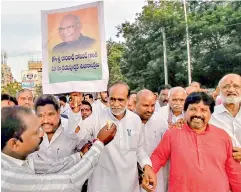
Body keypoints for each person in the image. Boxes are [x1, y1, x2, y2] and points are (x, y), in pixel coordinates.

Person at [142, 92, 241, 192]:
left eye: (203, 110)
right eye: (193, 109)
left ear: (211, 113)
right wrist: (148, 172)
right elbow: (159, 156)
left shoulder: (222, 136)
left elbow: (233, 169)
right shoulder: (173, 133)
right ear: (185, 111)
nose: (198, 114)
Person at [1, 106, 117, 191]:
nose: (42, 134)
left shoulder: (23, 159)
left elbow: (52, 167)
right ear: (14, 144)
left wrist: (81, 154)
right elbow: (70, 181)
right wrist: (99, 143)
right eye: (36, 132)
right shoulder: (9, 179)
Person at [69, 82, 157, 192]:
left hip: (129, 185)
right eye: (112, 99)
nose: (116, 104)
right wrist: (75, 113)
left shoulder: (135, 120)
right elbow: (76, 134)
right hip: (101, 185)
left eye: (120, 100)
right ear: (108, 98)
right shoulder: (96, 118)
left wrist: (147, 166)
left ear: (128, 99)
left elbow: (138, 149)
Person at [135, 89, 168, 192]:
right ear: (135, 103)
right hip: (132, 177)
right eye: (145, 105)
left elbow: (165, 150)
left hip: (156, 175)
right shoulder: (127, 121)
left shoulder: (161, 122)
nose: (149, 110)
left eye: (152, 105)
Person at [210, 73, 241, 163]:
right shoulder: (210, 115)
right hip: (221, 171)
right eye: (226, 87)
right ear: (219, 91)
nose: (231, 90)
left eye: (236, 86)